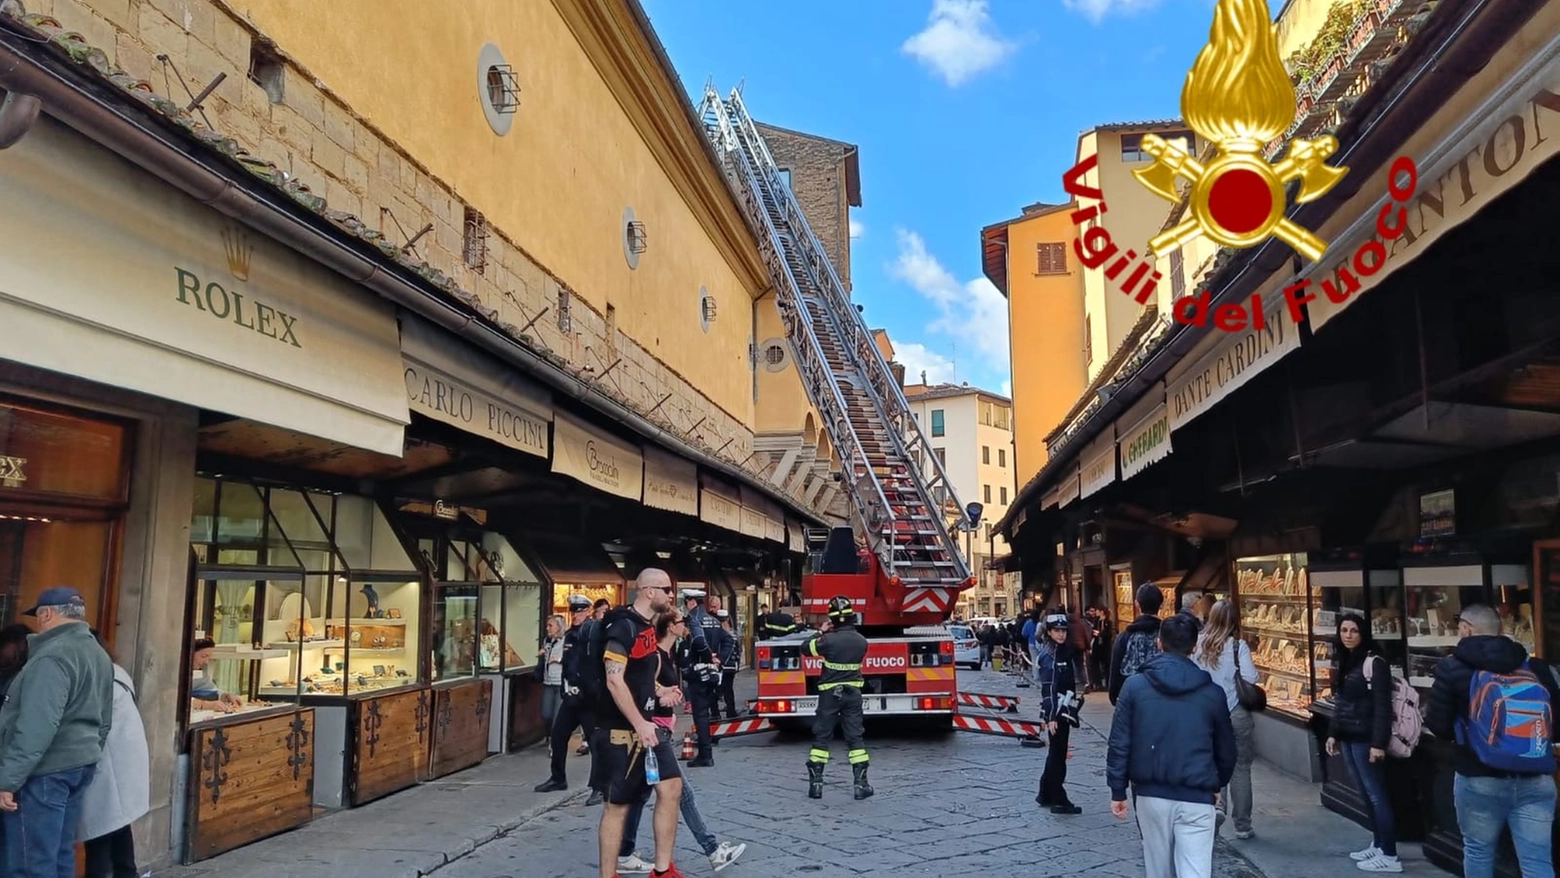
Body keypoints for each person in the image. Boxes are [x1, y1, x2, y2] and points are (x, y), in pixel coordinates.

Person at [1426, 604, 1560, 878]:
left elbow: (1438, 726)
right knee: (1537, 862)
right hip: (1536, 778)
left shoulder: (1452, 668)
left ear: (1466, 628)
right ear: (1499, 629)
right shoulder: (1535, 666)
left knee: (1478, 851)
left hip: (1479, 777)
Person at [615, 610, 746, 875]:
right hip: (654, 733)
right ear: (671, 628)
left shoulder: (667, 655)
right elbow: (638, 687)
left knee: (639, 795)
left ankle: (624, 852)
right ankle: (711, 850)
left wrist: (671, 692)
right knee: (682, 793)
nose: (686, 626)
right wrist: (663, 697)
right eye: (682, 623)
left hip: (655, 731)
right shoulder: (655, 658)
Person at [1107, 613, 1235, 878]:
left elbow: (1120, 742)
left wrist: (1118, 790)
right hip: (1198, 794)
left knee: (1159, 870)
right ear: (1195, 647)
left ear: (1159, 643)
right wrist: (1216, 783)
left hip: (1152, 794)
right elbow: (1226, 750)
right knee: (1196, 871)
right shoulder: (1212, 694)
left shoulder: (1134, 686)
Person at [0, 586, 114, 878]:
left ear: (48, 613)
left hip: (44, 771)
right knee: (61, 854)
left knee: (29, 863)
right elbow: (104, 717)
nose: (37, 623)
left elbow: (37, 725)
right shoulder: (96, 653)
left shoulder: (52, 656)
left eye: (38, 616)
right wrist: (90, 752)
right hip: (78, 765)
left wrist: (8, 780)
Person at [595, 569, 682, 878]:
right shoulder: (622, 628)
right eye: (666, 589)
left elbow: (640, 675)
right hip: (620, 732)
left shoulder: (646, 627)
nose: (671, 596)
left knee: (671, 787)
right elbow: (614, 680)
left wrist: (661, 691)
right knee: (617, 806)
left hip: (646, 726)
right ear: (648, 592)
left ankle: (662, 871)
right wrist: (640, 724)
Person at [1323, 613, 1401, 873]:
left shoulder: (1375, 663)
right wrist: (1333, 732)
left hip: (1366, 737)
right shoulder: (1346, 660)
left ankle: (1390, 854)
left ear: (1363, 633)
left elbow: (1382, 706)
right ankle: (1378, 844)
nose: (1348, 635)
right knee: (1366, 794)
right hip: (1348, 735)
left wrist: (1378, 743)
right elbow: (1342, 701)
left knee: (1377, 794)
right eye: (1344, 630)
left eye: (1353, 631)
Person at [77, 630, 149, 878]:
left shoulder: (100, 678)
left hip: (105, 767)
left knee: (98, 835)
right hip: (122, 767)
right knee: (116, 832)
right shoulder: (117, 673)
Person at [1192, 601, 1259, 839]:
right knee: (1241, 768)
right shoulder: (1237, 647)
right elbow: (1251, 677)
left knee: (1212, 765)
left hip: (1206, 714)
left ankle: (1216, 808)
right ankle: (1243, 825)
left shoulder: (1198, 643)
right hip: (1236, 711)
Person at [803, 595, 872, 800]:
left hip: (829, 695)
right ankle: (861, 785)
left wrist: (820, 631)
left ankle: (816, 786)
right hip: (853, 694)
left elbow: (806, 649)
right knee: (855, 737)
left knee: (822, 736)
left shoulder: (827, 640)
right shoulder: (861, 642)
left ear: (832, 619)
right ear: (852, 617)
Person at [535, 595, 597, 794]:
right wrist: (565, 689)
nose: (576, 615)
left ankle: (599, 785)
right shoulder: (570, 635)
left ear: (588, 611)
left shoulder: (595, 633)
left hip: (589, 698)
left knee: (595, 742)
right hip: (571, 696)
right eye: (573, 612)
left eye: (580, 611)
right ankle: (558, 778)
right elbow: (567, 666)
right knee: (558, 735)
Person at [1036, 613, 1081, 814]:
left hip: (1064, 708)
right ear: (1049, 632)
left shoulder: (1062, 652)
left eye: (1063, 631)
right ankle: (1058, 798)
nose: (1061, 634)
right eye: (1057, 631)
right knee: (1058, 754)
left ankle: (1045, 792)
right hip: (1057, 710)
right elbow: (1049, 688)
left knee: (1056, 752)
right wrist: (1052, 715)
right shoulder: (1050, 656)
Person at [1110, 583, 1166, 705]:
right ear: (1161, 604)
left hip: (1132, 701)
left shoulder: (1125, 636)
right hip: (1163, 699)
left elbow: (1115, 671)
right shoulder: (1167, 635)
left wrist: (1115, 697)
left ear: (1136, 604)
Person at [189, 638, 242, 714]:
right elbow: (172, 698)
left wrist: (226, 696)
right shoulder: (173, 671)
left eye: (209, 658)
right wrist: (204, 705)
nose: (206, 662)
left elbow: (211, 690)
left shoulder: (201, 672)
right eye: (203, 656)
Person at [538, 614, 566, 735]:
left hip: (559, 682)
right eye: (547, 625)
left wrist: (558, 659)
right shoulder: (547, 641)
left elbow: (572, 658)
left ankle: (554, 743)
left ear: (559, 627)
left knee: (557, 715)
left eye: (550, 625)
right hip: (548, 681)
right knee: (546, 713)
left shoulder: (566, 641)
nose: (547, 628)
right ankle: (550, 734)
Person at [715, 610, 741, 720]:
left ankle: (715, 713)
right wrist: (737, 664)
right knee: (729, 689)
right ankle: (731, 711)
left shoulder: (716, 632)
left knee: (716, 690)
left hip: (719, 666)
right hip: (731, 666)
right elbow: (739, 650)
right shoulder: (733, 633)